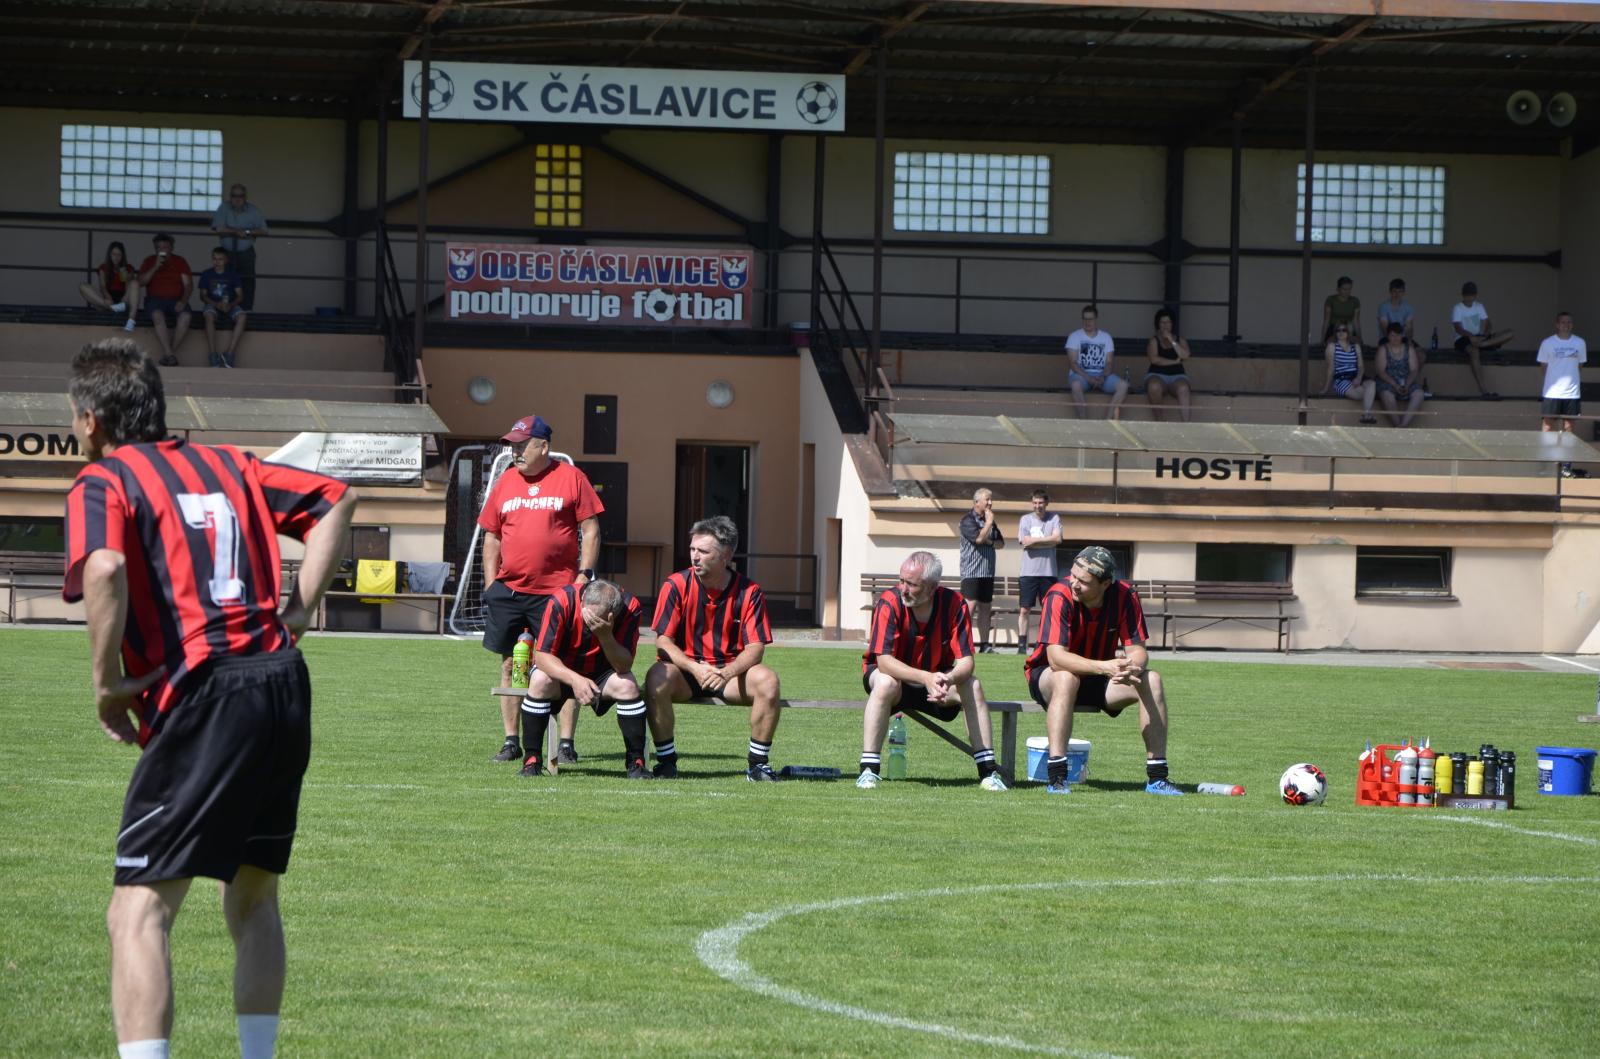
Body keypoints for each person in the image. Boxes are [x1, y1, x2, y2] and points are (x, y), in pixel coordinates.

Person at [62, 337, 356, 1059]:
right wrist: (299, 611)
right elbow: (336, 498)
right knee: (253, 897)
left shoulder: (104, 480)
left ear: (92, 420)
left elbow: (103, 568)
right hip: (281, 681)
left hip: (205, 692)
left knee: (137, 912)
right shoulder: (232, 464)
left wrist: (105, 685)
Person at [477, 414, 603, 767]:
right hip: (510, 591)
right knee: (510, 663)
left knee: (562, 665)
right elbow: (492, 536)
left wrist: (583, 576)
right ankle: (511, 741)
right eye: (513, 446)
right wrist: (491, 584)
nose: (515, 452)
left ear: (543, 446)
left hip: (558, 592)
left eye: (522, 446)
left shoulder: (571, 477)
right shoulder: (506, 481)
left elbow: (590, 530)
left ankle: (566, 743)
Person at [1024, 546, 1183, 797]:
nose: (1074, 583)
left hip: (1099, 677)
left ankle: (1158, 778)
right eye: (1073, 575)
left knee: (1151, 679)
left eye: (1083, 581)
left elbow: (1138, 651)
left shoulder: (1126, 596)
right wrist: (1105, 666)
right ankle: (1057, 777)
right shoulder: (1058, 595)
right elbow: (1056, 658)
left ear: (1106, 584)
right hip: (1050, 676)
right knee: (1066, 678)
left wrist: (1130, 666)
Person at [644, 515, 782, 781]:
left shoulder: (749, 591)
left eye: (703, 551)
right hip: (685, 673)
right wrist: (695, 668)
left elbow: (756, 648)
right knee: (656, 677)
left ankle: (757, 766)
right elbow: (663, 641)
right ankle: (666, 762)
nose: (694, 557)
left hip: (729, 676)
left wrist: (726, 672)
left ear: (725, 556)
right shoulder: (675, 585)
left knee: (768, 680)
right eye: (692, 549)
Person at [857, 550, 1006, 791]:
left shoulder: (955, 604)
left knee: (973, 685)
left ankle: (989, 772)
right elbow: (884, 661)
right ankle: (868, 770)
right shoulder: (889, 601)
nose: (903, 588)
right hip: (895, 681)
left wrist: (948, 679)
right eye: (901, 581)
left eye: (911, 584)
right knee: (885, 682)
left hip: (937, 684)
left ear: (932, 587)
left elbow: (966, 662)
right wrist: (925, 677)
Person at [524, 579, 651, 779]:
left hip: (603, 671)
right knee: (540, 680)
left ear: (613, 615)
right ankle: (531, 760)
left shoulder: (630, 607)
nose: (590, 622)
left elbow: (624, 666)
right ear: (582, 599)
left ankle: (636, 763)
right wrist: (575, 680)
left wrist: (606, 636)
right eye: (587, 617)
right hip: (562, 669)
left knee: (627, 685)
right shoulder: (561, 600)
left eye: (596, 620)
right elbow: (542, 656)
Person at [1537, 311, 1588, 478]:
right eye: (1563, 322)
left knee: (1569, 428)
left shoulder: (1580, 342)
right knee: (1547, 427)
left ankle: (1566, 466)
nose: (1566, 325)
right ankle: (1545, 465)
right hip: (1552, 392)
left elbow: (1580, 366)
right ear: (1557, 324)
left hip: (1572, 394)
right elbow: (1543, 366)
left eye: (1569, 322)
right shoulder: (1547, 343)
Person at [958, 487, 1004, 652]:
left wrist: (989, 541)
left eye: (991, 500)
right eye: (987, 500)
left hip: (987, 573)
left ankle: (984, 645)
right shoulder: (967, 520)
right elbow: (978, 539)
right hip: (971, 572)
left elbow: (1000, 543)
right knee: (969, 608)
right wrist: (989, 523)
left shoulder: (990, 520)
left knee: (986, 608)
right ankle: (962, 644)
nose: (990, 503)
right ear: (977, 502)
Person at [135, 234, 193, 367]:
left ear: (171, 248)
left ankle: (168, 354)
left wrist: (183, 301)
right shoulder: (149, 261)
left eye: (165, 247)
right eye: (158, 247)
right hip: (155, 300)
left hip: (176, 300)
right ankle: (170, 354)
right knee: (157, 315)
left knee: (186, 316)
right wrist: (155, 267)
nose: (162, 250)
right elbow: (140, 282)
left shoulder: (180, 261)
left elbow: (188, 285)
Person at [1015, 488, 1061, 654]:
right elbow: (1024, 541)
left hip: (1048, 573)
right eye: (1035, 502)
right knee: (1024, 610)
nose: (1037, 506)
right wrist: (1048, 541)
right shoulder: (1025, 519)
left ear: (1046, 503)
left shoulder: (1054, 518)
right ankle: (1022, 646)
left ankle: (1043, 644)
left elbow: (1058, 539)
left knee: (1047, 610)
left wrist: (1035, 542)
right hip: (1028, 573)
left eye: (1041, 502)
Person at [1451, 281, 1513, 400]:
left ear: (1475, 295)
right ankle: (1484, 390)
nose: (1469, 298)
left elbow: (1488, 323)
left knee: (1510, 333)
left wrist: (1485, 335)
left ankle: (1483, 344)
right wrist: (1471, 337)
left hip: (1479, 338)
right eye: (1467, 295)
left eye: (1471, 295)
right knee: (1474, 352)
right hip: (1463, 339)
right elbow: (1458, 328)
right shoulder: (1457, 308)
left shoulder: (1479, 306)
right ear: (1463, 295)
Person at [1066, 304, 1128, 420]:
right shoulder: (1074, 336)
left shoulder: (1106, 337)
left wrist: (1103, 376)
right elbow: (1073, 364)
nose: (1087, 322)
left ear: (1096, 319)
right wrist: (1088, 378)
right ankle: (1084, 420)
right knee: (1075, 385)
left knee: (1123, 386)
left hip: (1101, 375)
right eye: (1085, 319)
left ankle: (1107, 420)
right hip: (1081, 376)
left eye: (1090, 319)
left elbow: (1109, 362)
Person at [211, 183, 268, 311]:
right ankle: (224, 309)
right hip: (226, 253)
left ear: (245, 197)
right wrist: (236, 232)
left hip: (246, 252)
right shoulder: (223, 208)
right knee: (225, 280)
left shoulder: (253, 210)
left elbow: (264, 230)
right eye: (234, 196)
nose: (237, 199)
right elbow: (218, 228)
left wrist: (247, 232)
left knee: (247, 281)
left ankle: (246, 311)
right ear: (230, 196)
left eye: (240, 196)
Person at [196, 247, 248, 368]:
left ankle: (229, 354)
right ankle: (213, 354)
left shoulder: (232, 275)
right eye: (214, 259)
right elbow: (203, 296)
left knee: (242, 316)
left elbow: (240, 296)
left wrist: (231, 305)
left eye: (220, 259)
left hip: (230, 305)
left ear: (226, 260)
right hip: (212, 304)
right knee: (208, 315)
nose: (217, 262)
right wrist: (216, 304)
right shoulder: (207, 274)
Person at [1143, 307, 1194, 422]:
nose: (1165, 325)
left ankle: (1187, 425)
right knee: (1154, 386)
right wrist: (1174, 362)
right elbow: (1154, 359)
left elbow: (1185, 355)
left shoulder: (1181, 340)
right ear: (1158, 324)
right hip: (1157, 374)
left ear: (1172, 324)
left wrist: (1172, 341)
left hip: (1177, 375)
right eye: (1162, 322)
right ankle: (1160, 422)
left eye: (1168, 322)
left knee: (1183, 388)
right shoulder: (1153, 341)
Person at [1321, 322, 1377, 424]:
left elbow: (1361, 366)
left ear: (1348, 332)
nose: (1341, 332)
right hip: (1341, 379)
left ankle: (1366, 415)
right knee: (1365, 393)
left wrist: (1359, 378)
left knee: (1372, 384)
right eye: (1338, 330)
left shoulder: (1355, 347)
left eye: (1344, 330)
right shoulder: (1332, 347)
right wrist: (1326, 388)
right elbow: (1330, 368)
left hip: (1355, 377)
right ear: (1335, 333)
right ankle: (1367, 415)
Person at [79, 241, 141, 331]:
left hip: (122, 302)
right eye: (113, 254)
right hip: (107, 302)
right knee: (82, 286)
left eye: (119, 255)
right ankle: (111, 308)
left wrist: (123, 271)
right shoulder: (104, 268)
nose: (116, 257)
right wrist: (108, 299)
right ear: (109, 255)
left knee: (135, 283)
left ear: (122, 256)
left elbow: (128, 286)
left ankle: (131, 322)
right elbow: (103, 287)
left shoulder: (127, 268)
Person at [1373, 322, 1425, 428]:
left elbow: (1414, 370)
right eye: (1392, 335)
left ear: (1402, 335)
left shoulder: (1409, 349)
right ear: (1388, 336)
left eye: (1398, 335)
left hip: (1406, 381)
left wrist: (1407, 385)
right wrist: (1395, 385)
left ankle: (1403, 425)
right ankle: (1398, 425)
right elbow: (1381, 371)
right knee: (1387, 395)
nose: (1395, 338)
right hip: (1387, 381)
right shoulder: (1383, 349)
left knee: (1419, 394)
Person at [1321, 275, 1362, 344]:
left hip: (1349, 329)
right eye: (1344, 289)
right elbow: (1326, 320)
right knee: (1331, 342)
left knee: (1354, 340)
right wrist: (1322, 339)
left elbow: (1356, 321)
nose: (1347, 291)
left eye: (1349, 289)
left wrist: (1360, 338)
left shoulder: (1355, 301)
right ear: (1338, 289)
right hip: (1334, 328)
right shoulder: (1331, 300)